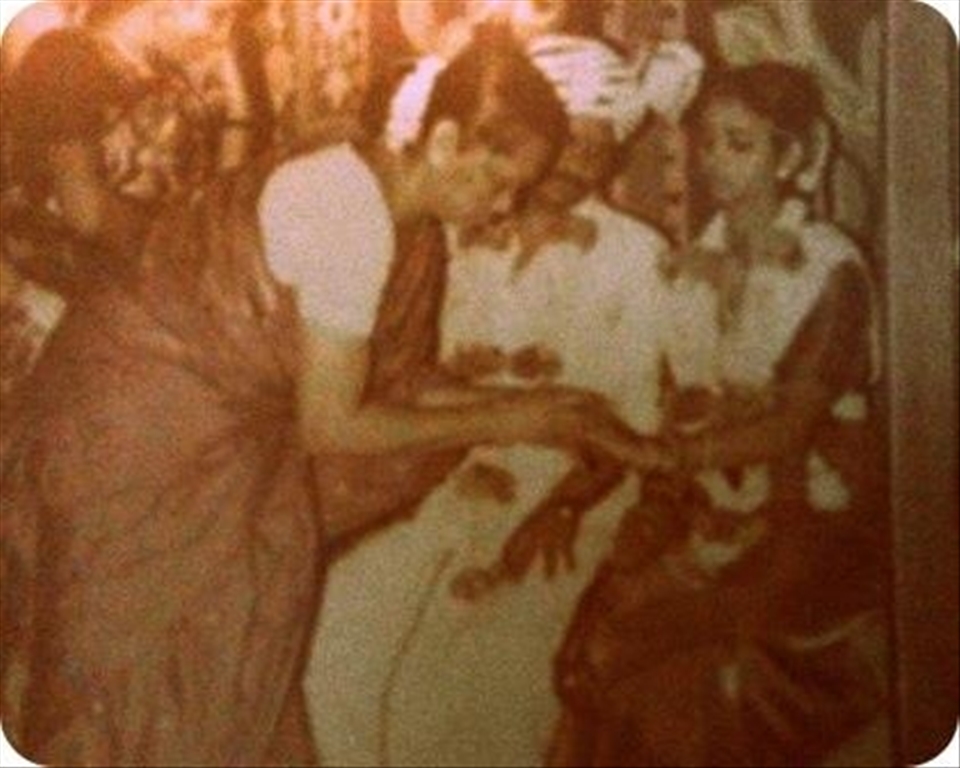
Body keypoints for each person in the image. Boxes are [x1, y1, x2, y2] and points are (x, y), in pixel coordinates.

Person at [0, 26, 641, 767]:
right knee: (131, 697)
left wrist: (554, 413)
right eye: (498, 181)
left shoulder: (376, 198)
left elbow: (385, 385)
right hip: (134, 437)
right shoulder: (351, 216)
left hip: (198, 441)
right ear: (442, 141)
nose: (502, 207)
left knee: (219, 683)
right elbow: (333, 423)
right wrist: (522, 415)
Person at [305, 34, 702, 767]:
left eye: (601, 144)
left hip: (570, 489)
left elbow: (633, 423)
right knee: (339, 642)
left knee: (477, 678)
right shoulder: (453, 234)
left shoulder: (631, 256)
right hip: (439, 474)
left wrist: (559, 508)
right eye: (571, 142)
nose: (583, 161)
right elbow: (398, 374)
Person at [547, 62, 888, 767]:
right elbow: (671, 408)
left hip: (813, 533)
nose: (717, 165)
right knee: (589, 647)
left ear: (791, 157)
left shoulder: (829, 269)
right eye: (708, 144)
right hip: (712, 524)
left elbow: (791, 428)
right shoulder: (685, 269)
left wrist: (669, 458)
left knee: (682, 673)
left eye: (742, 145)